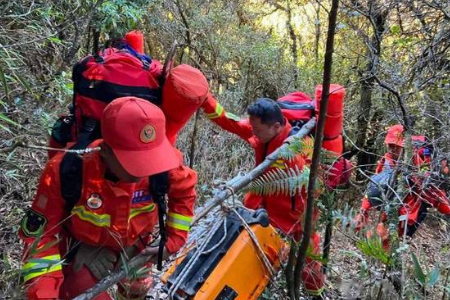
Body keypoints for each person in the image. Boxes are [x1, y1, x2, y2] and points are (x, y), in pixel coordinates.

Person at [19, 97, 197, 300]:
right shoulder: (66, 170)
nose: (146, 169)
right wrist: (45, 295)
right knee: (79, 290)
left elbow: (184, 190)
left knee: (136, 289)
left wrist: (174, 240)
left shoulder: (163, 161)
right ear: (104, 151)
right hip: (88, 245)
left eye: (150, 158)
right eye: (135, 162)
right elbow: (41, 238)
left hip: (138, 243)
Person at [201, 95, 325, 298]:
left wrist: (299, 222)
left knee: (309, 263)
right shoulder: (261, 132)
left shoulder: (297, 150)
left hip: (295, 219)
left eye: (257, 130)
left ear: (276, 126)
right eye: (253, 128)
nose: (253, 133)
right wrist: (204, 99)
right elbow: (228, 120)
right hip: (260, 210)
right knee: (249, 256)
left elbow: (315, 188)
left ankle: (316, 294)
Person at [354, 124, 450, 247]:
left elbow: (431, 191)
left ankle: (388, 256)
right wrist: (364, 210)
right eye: (389, 145)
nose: (391, 149)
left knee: (396, 238)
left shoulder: (416, 163)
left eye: (395, 146)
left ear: (403, 145)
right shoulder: (386, 161)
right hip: (390, 207)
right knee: (384, 237)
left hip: (409, 212)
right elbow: (374, 186)